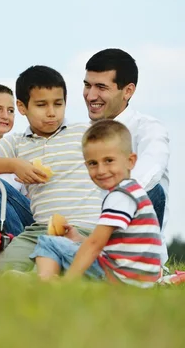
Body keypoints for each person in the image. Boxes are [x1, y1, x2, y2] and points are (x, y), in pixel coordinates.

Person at [0, 66, 103, 272]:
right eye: (41, 105)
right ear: (22, 107)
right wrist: (14, 165)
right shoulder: (18, 142)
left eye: (58, 103)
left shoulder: (85, 132)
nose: (51, 112)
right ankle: (13, 250)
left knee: (43, 274)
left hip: (82, 228)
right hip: (39, 229)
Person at [31, 120, 162, 287]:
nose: (101, 170)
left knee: (48, 241)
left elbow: (94, 245)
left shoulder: (119, 196)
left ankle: (47, 282)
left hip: (119, 278)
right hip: (137, 279)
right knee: (72, 248)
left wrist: (68, 282)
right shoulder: (133, 191)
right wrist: (78, 239)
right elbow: (108, 243)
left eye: (109, 161)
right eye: (93, 163)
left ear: (130, 161)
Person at [83, 49, 169, 232]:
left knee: (151, 189)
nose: (90, 96)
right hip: (76, 226)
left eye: (101, 87)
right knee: (6, 191)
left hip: (124, 233)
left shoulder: (148, 128)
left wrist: (115, 201)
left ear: (128, 91)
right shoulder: (79, 134)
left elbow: (152, 168)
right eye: (87, 85)